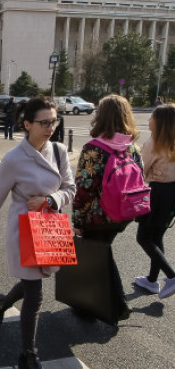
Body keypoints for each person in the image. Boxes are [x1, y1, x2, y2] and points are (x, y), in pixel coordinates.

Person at [0, 97, 75, 369]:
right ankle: (27, 357)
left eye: (53, 121)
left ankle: (3, 304)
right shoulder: (13, 159)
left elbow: (70, 187)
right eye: (44, 122)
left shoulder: (59, 150)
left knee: (34, 282)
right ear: (27, 124)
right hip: (25, 232)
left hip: (50, 227)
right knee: (35, 293)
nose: (50, 127)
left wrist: (50, 199)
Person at [72, 94, 142, 320]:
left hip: (98, 216)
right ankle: (95, 305)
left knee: (96, 258)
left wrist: (78, 221)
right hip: (123, 214)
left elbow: (83, 189)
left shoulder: (94, 149)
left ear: (100, 117)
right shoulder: (132, 147)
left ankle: (115, 305)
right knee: (101, 253)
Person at [134, 104, 175, 299]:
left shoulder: (154, 143)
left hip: (156, 193)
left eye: (152, 117)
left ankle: (172, 276)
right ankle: (151, 280)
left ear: (160, 123)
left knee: (143, 237)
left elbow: (141, 169)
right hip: (171, 193)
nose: (149, 120)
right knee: (157, 237)